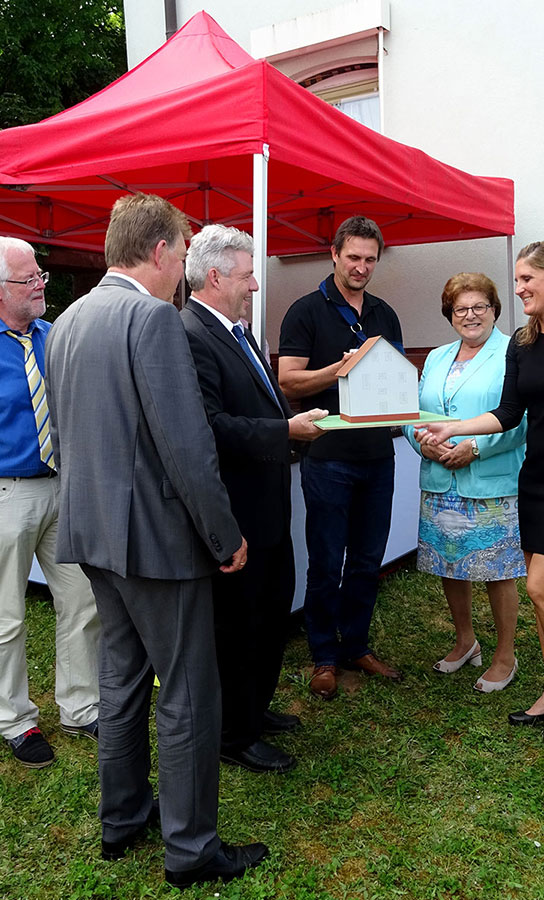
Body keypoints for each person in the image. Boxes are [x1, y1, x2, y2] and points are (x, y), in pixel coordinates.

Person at [44, 194, 267, 888]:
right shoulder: (152, 318)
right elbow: (186, 447)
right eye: (181, 255)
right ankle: (192, 849)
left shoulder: (71, 316)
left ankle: (123, 819)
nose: (181, 272)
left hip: (95, 533)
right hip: (158, 543)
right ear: (163, 252)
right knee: (188, 694)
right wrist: (224, 535)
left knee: (121, 680)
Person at [418, 241, 544, 748]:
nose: (519, 287)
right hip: (534, 478)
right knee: (540, 591)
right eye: (518, 279)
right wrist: (452, 428)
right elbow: (508, 413)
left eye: (528, 278)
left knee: (542, 588)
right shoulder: (523, 342)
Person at [0, 236, 100, 769]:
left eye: (39, 275)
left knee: (82, 601)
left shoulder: (51, 337)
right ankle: (16, 721)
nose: (41, 286)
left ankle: (81, 707)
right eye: (28, 279)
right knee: (5, 615)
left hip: (62, 490)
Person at [181, 224, 327, 775]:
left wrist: (284, 425)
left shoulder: (236, 330)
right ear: (215, 276)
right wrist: (285, 432)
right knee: (239, 628)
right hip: (235, 514)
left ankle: (253, 711)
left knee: (268, 617)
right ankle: (233, 734)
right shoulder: (192, 333)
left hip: (267, 511)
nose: (255, 287)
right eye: (247, 276)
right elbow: (209, 426)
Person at [278, 215, 404, 700]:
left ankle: (356, 645)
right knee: (327, 560)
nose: (361, 267)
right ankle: (323, 657)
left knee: (368, 559)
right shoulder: (306, 311)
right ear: (334, 254)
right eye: (353, 257)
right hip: (327, 456)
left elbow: (391, 377)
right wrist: (339, 370)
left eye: (370, 259)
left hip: (378, 454)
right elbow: (288, 381)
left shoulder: (384, 313)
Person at [403, 273, 527, 692]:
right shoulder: (437, 357)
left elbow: (522, 418)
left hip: (489, 481)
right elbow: (412, 413)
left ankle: (505, 656)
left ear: (494, 309)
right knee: (449, 563)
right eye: (461, 308)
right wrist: (425, 445)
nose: (470, 315)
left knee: (496, 570)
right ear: (449, 314)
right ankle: (465, 641)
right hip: (440, 479)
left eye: (480, 307)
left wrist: (475, 447)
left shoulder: (515, 351)